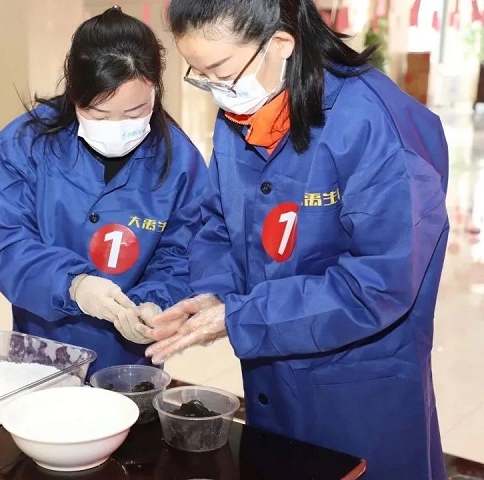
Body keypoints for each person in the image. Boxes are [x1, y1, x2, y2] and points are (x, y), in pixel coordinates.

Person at [139, 1, 449, 479]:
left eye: (221, 71)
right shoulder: (245, 109)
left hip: (357, 388)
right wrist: (217, 292)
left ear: (281, 43)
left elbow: (378, 284)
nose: (217, 89)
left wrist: (243, 316)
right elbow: (219, 222)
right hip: (273, 379)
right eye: (200, 74)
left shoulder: (374, 126)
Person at [0, 7, 207, 374]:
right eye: (99, 115)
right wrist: (73, 285)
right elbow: (7, 244)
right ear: (75, 94)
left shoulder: (180, 162)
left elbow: (183, 255)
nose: (117, 127)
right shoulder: (23, 146)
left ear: (156, 90)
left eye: (134, 113)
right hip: (42, 346)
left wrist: (155, 304)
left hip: (129, 361)